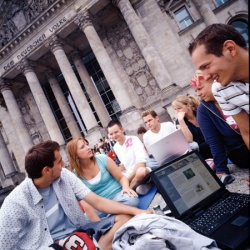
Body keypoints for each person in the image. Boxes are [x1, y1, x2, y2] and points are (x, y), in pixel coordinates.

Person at [0, 140, 151, 250]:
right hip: (49, 245)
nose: (64, 164)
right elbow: (4, 245)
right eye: (59, 162)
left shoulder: (64, 175)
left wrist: (138, 212)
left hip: (80, 232)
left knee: (125, 218)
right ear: (47, 170)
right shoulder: (15, 203)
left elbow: (97, 201)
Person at [188, 23, 249, 150]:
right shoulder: (220, 88)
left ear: (230, 49)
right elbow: (247, 132)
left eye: (206, 66)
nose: (205, 77)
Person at [190, 70, 249, 185]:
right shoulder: (204, 110)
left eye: (200, 89)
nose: (198, 94)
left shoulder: (232, 92)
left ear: (214, 83)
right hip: (239, 150)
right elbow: (214, 142)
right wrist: (221, 170)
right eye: (196, 91)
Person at [66, 137, 139, 218]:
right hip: (100, 206)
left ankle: (113, 218)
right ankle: (121, 214)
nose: (88, 148)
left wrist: (126, 188)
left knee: (132, 200)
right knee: (86, 219)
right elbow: (83, 200)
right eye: (82, 147)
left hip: (117, 196)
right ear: (75, 155)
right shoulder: (74, 175)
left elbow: (121, 177)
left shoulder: (102, 159)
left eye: (87, 144)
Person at [107, 120, 158, 195]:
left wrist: (127, 181)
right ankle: (144, 186)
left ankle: (128, 192)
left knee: (140, 172)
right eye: (111, 134)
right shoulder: (116, 147)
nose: (114, 135)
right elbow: (125, 164)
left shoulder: (134, 139)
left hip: (143, 170)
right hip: (129, 173)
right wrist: (114, 171)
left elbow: (141, 164)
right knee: (113, 179)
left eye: (116, 132)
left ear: (122, 130)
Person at [172, 95, 213, 160]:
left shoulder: (199, 112)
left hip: (213, 140)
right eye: (175, 109)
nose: (177, 111)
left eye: (179, 108)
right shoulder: (179, 122)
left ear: (188, 105)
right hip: (201, 149)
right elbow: (189, 139)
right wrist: (181, 121)